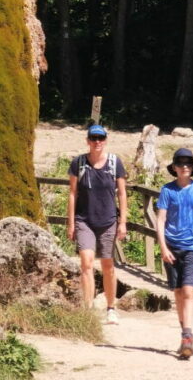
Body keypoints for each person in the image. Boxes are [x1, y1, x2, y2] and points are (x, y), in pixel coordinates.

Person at [156, 147, 193, 359]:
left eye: (188, 163)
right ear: (174, 168)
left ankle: (188, 336)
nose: (185, 167)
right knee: (178, 293)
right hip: (171, 246)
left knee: (189, 291)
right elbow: (160, 220)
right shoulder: (167, 191)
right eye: (180, 164)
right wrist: (162, 247)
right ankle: (184, 334)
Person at [67, 124, 128, 324]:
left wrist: (123, 222)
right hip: (84, 220)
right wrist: (71, 223)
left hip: (108, 221)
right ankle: (88, 310)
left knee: (108, 264)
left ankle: (111, 308)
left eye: (100, 138)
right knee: (86, 263)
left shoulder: (114, 163)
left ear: (105, 140)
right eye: (93, 138)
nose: (97, 142)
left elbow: (122, 193)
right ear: (87, 141)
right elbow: (73, 193)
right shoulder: (79, 163)